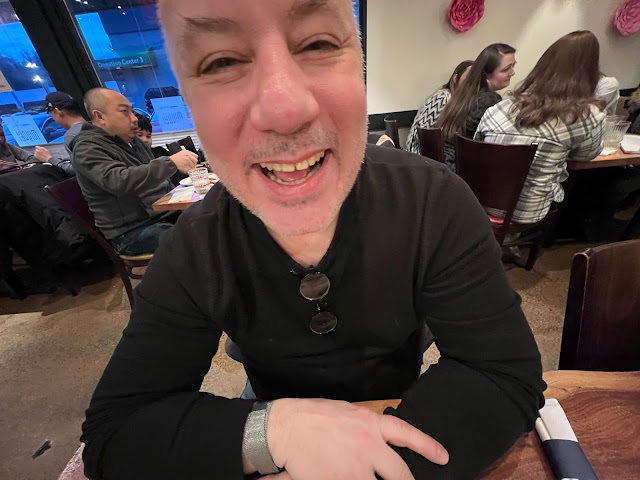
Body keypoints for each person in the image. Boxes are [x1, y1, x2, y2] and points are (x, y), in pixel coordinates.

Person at [81, 2, 544, 480]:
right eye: (221, 62)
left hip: (407, 403)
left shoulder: (433, 200)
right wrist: (270, 431)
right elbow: (116, 434)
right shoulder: (195, 245)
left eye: (318, 44)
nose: (285, 110)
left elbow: (501, 372)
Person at [475, 31, 606, 224]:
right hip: (527, 214)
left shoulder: (498, 108)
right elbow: (586, 155)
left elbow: (477, 147)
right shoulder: (586, 115)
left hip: (479, 207)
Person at [70, 88, 198, 255]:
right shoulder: (87, 148)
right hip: (131, 231)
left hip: (163, 214)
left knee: (215, 219)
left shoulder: (132, 140)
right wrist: (171, 163)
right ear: (100, 116)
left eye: (132, 111)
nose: (134, 118)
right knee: (196, 239)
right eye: (124, 112)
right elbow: (118, 181)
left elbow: (156, 179)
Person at [435, 43, 516, 170]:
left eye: (513, 66)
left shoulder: (462, 95)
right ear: (487, 75)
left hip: (445, 168)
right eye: (506, 69)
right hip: (462, 172)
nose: (512, 73)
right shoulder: (488, 101)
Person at [406, 60, 473, 154]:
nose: (472, 82)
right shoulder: (443, 97)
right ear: (455, 78)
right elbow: (419, 133)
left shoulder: (459, 101)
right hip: (419, 153)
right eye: (469, 77)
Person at [30, 91, 86, 175]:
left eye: (51, 114)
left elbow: (80, 171)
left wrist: (49, 159)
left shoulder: (72, 135)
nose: (53, 118)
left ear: (58, 111)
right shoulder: (94, 127)